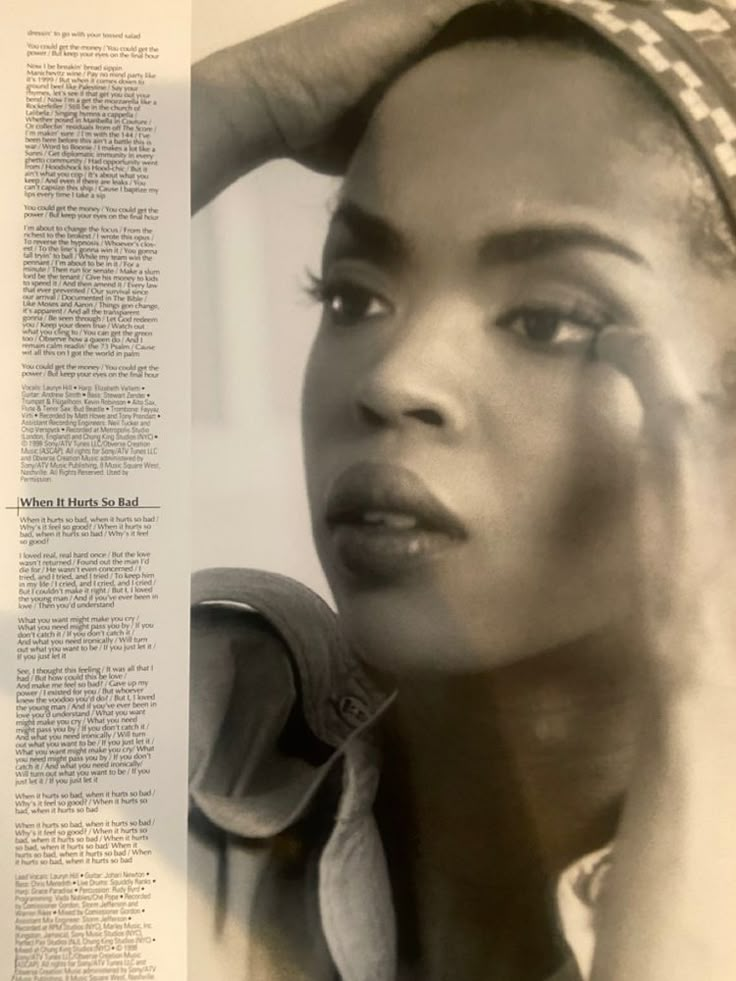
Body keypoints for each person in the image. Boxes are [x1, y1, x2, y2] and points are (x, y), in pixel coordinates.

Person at [189, 1, 736, 979]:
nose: (393, 377)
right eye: (353, 295)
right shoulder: (197, 745)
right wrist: (236, 104)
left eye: (546, 321)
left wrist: (704, 689)